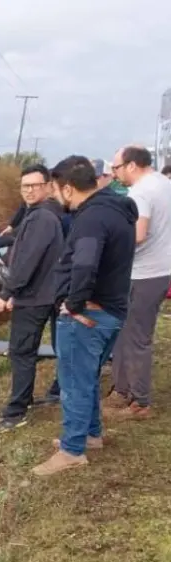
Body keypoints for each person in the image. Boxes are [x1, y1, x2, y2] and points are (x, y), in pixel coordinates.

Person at [32, 155, 136, 476]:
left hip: (90, 315)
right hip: (112, 308)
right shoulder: (114, 208)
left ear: (67, 188)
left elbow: (86, 264)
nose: (53, 196)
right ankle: (91, 434)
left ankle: (72, 450)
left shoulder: (90, 219)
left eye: (53, 189)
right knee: (86, 377)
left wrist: (74, 305)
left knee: (74, 382)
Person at [0, 164, 65, 432]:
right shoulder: (45, 213)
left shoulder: (41, 218)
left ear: (47, 186)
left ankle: (16, 411)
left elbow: (27, 261)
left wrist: (7, 293)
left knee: (22, 352)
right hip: (46, 292)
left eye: (35, 185)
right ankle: (56, 392)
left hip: (36, 297)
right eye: (25, 186)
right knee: (55, 348)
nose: (30, 190)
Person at [105, 146, 171, 420]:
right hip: (161, 269)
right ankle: (121, 391)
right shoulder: (164, 183)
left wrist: (109, 250)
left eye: (117, 168)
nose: (114, 173)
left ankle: (139, 402)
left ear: (132, 165)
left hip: (144, 273)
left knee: (136, 337)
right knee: (127, 333)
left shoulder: (140, 192)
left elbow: (138, 234)